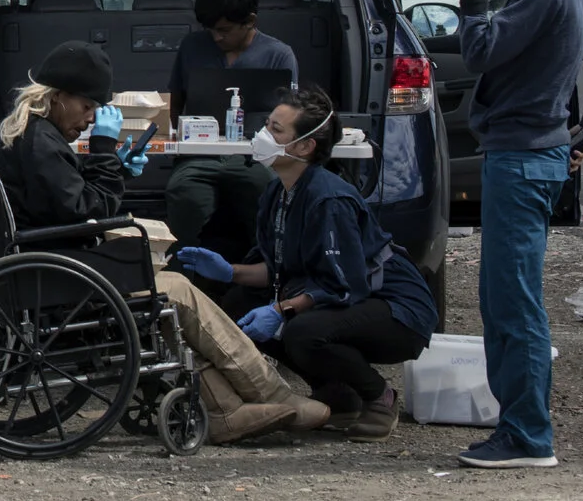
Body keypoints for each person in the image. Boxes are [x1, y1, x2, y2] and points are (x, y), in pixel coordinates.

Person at [0, 40, 329, 444]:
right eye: (87, 107)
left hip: (43, 263)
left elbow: (68, 198)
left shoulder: (28, 134)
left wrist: (113, 169)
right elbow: (87, 210)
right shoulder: (39, 141)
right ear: (58, 97)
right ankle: (266, 394)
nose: (90, 118)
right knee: (177, 290)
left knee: (166, 299)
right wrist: (104, 152)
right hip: (54, 273)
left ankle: (228, 409)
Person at [441, 0, 583, 470]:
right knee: (503, 298)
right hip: (534, 156)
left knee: (514, 303)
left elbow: (478, 52)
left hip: (522, 162)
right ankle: (518, 427)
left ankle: (527, 437)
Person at [175, 86, 435, 440]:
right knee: (238, 305)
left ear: (304, 146)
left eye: (276, 130)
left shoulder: (328, 199)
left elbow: (343, 285)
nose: (263, 135)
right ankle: (339, 396)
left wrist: (281, 310)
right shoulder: (277, 192)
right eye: (267, 125)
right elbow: (279, 269)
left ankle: (378, 396)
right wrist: (229, 271)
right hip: (346, 294)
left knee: (302, 331)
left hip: (394, 307)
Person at [164, 0, 299, 254]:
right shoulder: (192, 47)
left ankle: (266, 266)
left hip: (256, 156)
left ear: (250, 21)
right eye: (210, 29)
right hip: (199, 154)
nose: (216, 37)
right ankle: (186, 269)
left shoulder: (279, 56)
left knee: (267, 191)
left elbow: (291, 120)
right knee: (184, 191)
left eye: (224, 30)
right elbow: (174, 104)